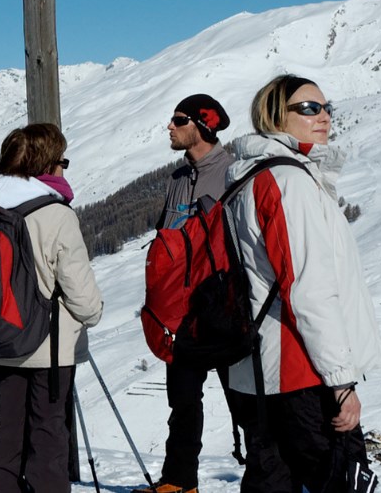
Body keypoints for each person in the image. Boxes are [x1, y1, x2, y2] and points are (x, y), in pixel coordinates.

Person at [222, 75, 381, 493]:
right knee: (342, 483)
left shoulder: (250, 177)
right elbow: (308, 287)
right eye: (309, 108)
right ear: (277, 115)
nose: (325, 116)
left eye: (326, 106)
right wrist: (340, 381)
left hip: (259, 373)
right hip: (300, 373)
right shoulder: (288, 181)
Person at [0, 123, 105, 493]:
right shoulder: (56, 214)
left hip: (3, 340)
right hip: (48, 348)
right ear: (48, 164)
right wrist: (93, 313)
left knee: (8, 431)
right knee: (48, 434)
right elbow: (81, 294)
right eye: (62, 160)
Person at [143, 94, 236, 493]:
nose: (170, 126)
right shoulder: (178, 178)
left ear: (201, 126)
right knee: (182, 402)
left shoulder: (234, 172)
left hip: (225, 308)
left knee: (246, 403)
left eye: (178, 120)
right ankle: (179, 482)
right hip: (182, 312)